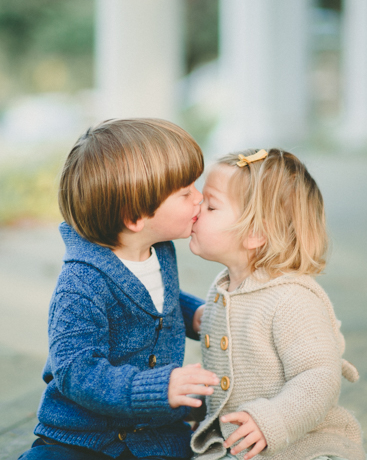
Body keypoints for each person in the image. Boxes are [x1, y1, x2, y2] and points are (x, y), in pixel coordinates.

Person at [18, 118, 220, 460]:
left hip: (155, 434)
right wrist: (157, 388)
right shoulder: (80, 285)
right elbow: (75, 371)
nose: (199, 198)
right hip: (85, 435)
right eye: (186, 193)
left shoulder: (158, 248)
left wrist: (195, 315)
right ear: (135, 217)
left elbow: (154, 303)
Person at [189, 148, 367, 460]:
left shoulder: (291, 299)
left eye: (210, 206)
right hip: (241, 447)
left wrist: (272, 420)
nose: (196, 208)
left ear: (254, 233)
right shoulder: (224, 288)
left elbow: (320, 377)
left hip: (306, 445)